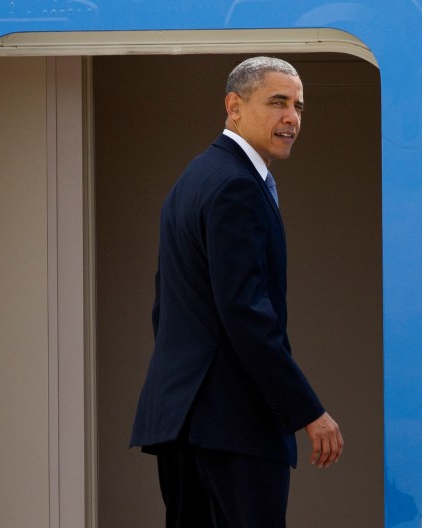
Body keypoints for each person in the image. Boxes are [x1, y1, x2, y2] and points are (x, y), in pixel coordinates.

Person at [130, 56, 344, 527]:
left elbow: (165, 309)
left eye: (299, 106)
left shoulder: (196, 177)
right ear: (234, 106)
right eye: (277, 102)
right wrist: (308, 411)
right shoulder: (236, 187)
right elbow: (246, 312)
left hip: (183, 423)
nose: (292, 117)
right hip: (231, 428)